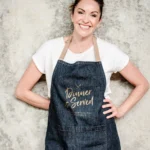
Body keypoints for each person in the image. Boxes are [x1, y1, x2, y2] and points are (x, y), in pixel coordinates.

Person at [14, 0, 149, 149]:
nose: (85, 19)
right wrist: (57, 106)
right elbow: (21, 91)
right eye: (80, 12)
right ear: (72, 15)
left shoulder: (109, 51)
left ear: (99, 21)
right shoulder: (50, 49)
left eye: (93, 15)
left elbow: (142, 83)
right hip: (61, 139)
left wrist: (120, 110)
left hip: (101, 140)